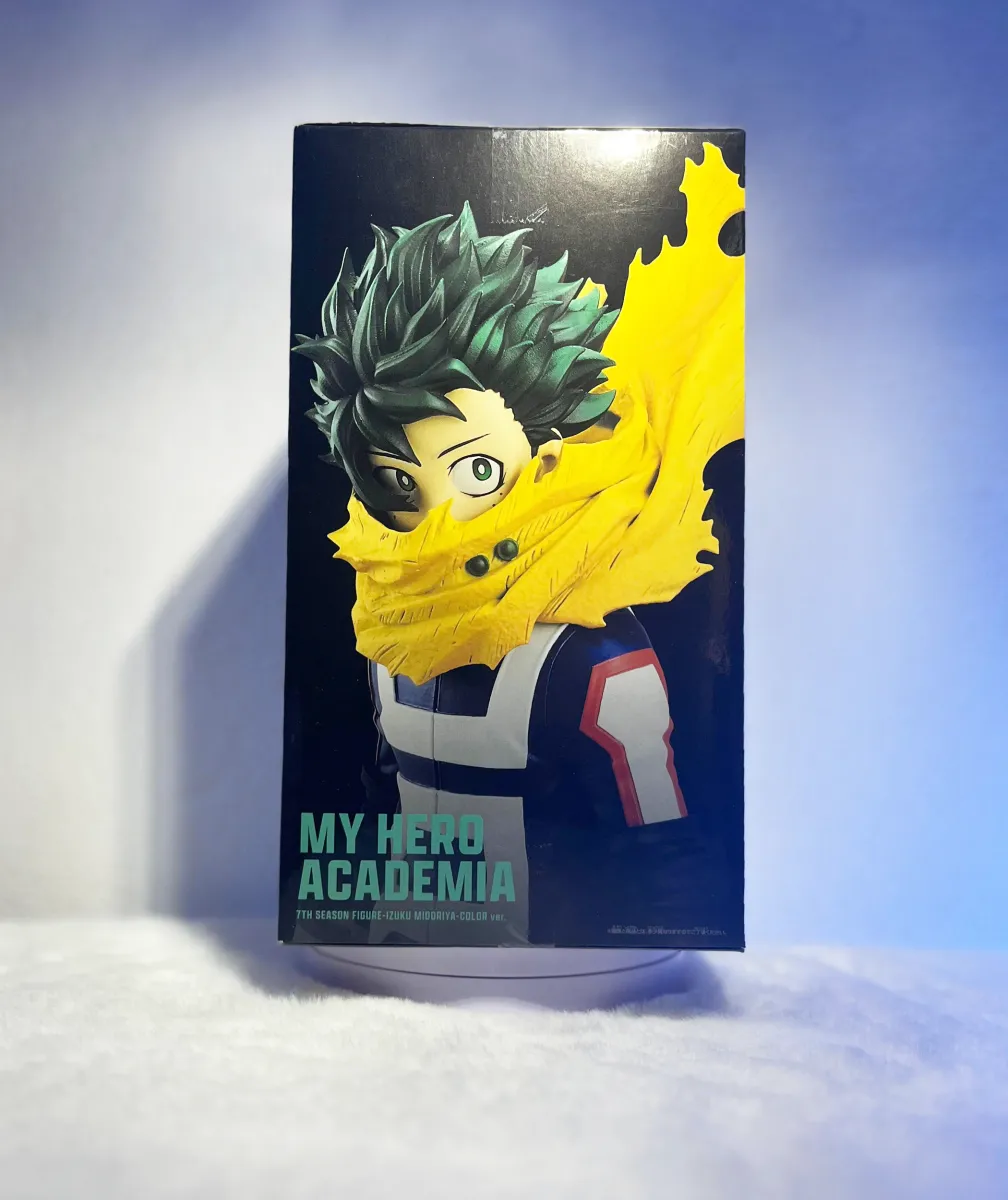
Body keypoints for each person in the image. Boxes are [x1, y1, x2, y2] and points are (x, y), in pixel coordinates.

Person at [293, 145, 744, 946]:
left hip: (549, 971)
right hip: (403, 971)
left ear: (546, 456)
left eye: (475, 470)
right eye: (399, 482)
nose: (441, 518)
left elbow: (661, 866)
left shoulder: (597, 659)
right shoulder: (390, 631)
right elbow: (379, 802)